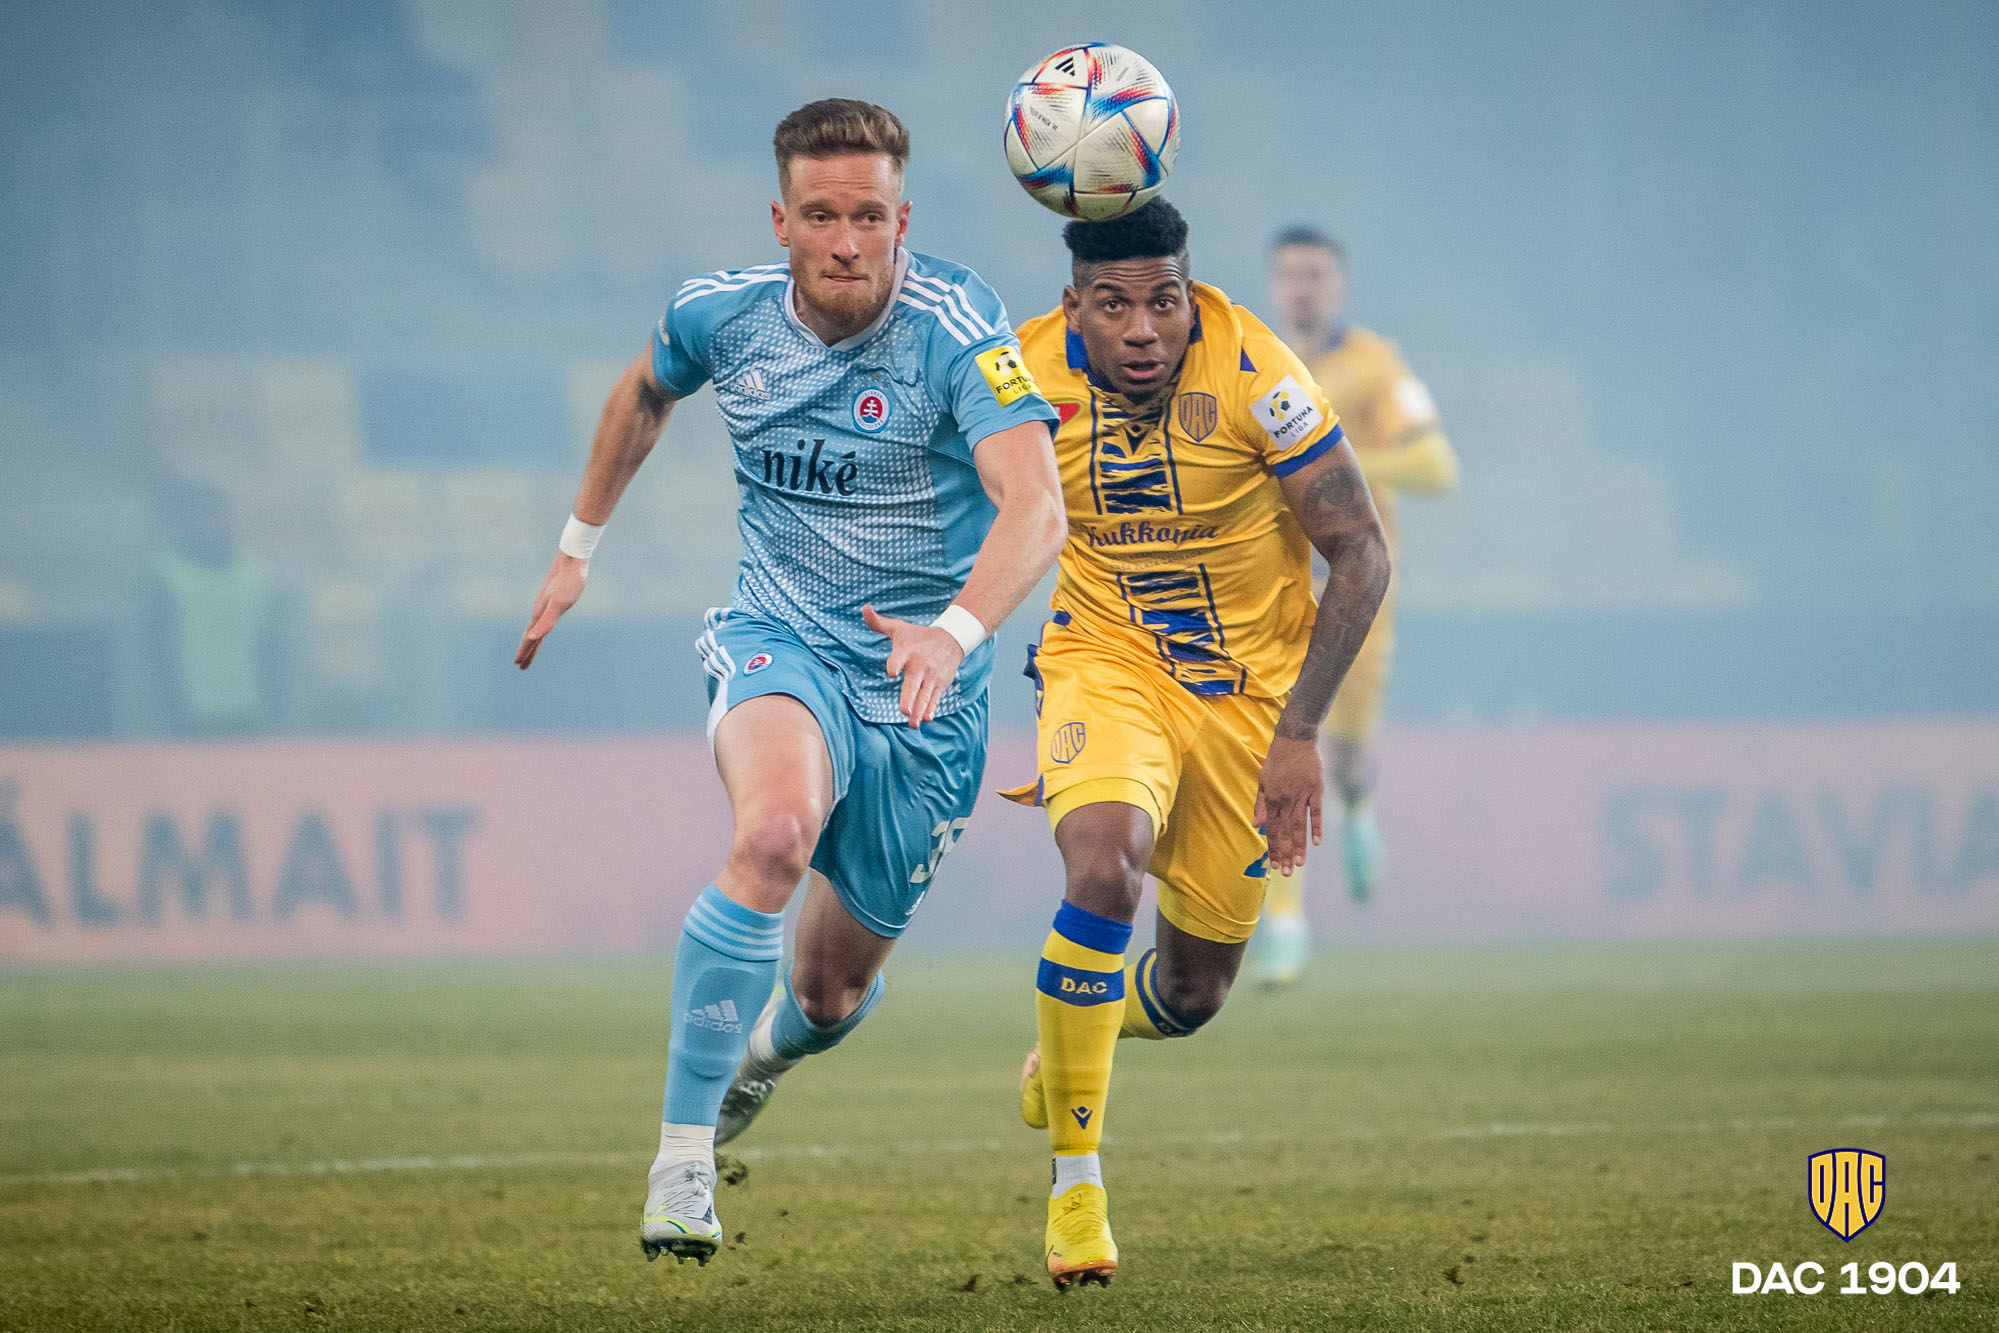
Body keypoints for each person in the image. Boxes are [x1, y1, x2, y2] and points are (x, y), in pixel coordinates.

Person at [515, 98, 1064, 1266]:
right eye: (821, 215)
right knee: (770, 835)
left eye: (869, 216)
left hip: (925, 691)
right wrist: (575, 548)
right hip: (784, 639)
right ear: (781, 221)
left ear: (903, 220)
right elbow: (643, 393)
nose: (846, 241)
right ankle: (680, 1164)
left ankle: (756, 1060)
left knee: (826, 995)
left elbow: (1035, 504)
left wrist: (952, 634)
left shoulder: (956, 327)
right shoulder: (720, 314)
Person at [1000, 200, 1390, 1288]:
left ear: (1190, 293)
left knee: (1193, 993)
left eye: (1164, 301)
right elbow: (946, 496)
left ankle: (1071, 1042)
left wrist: (1300, 733)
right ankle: (1076, 1187)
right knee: (1101, 864)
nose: (1143, 329)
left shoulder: (1258, 373)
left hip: (1248, 701)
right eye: (1113, 305)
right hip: (1102, 660)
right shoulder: (1020, 374)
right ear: (1073, 304)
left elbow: (1361, 552)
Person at [1259, 226, 1459, 982]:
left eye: (1314, 272)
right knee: (1277, 744)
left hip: (1356, 587)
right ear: (1274, 284)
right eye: (1290, 273)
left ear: (1337, 284)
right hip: (1273, 587)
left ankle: (1356, 805)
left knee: (1340, 754)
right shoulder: (1253, 361)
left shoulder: (1377, 364)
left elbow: (1436, 466)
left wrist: (1330, 458)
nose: (1302, 286)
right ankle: (1285, 923)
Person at [151, 478, 281, 736]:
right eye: (201, 514)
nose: (210, 522)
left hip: (250, 714)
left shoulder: (256, 575)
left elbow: (273, 648)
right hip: (189, 718)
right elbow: (157, 651)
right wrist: (168, 710)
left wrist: (275, 706)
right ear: (185, 520)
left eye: (216, 513)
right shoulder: (167, 577)